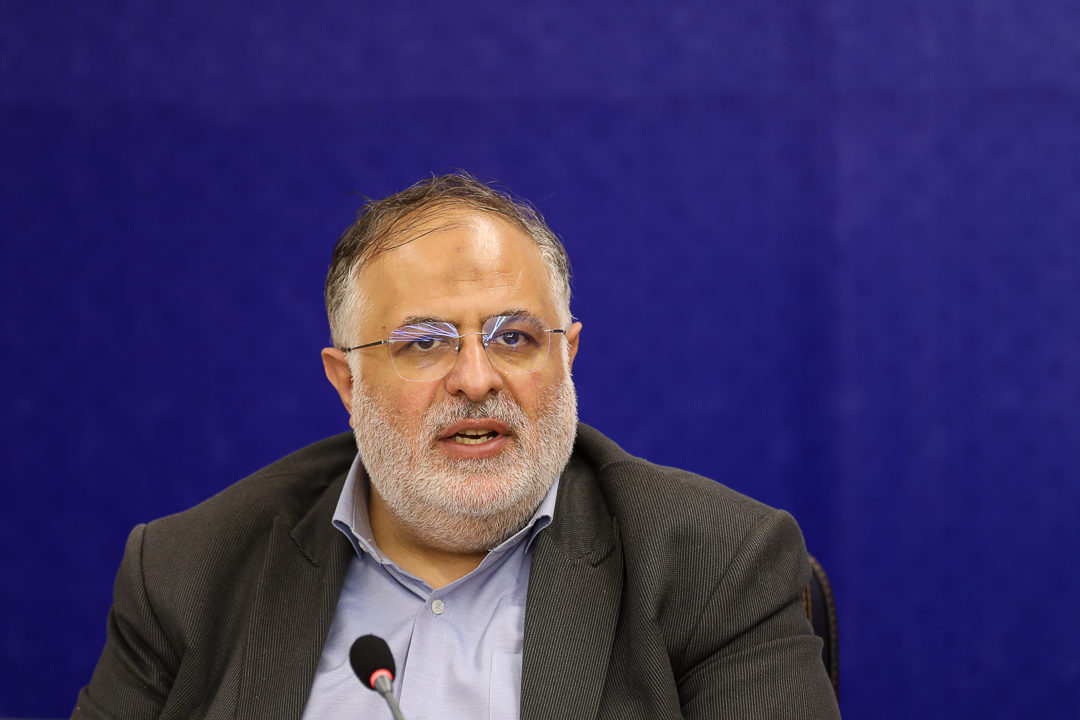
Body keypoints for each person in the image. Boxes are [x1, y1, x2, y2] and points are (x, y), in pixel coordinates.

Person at [73, 173, 841, 719]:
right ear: (347, 382)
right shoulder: (187, 573)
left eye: (515, 337)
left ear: (567, 355)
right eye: (424, 343)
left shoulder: (717, 565)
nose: (476, 379)